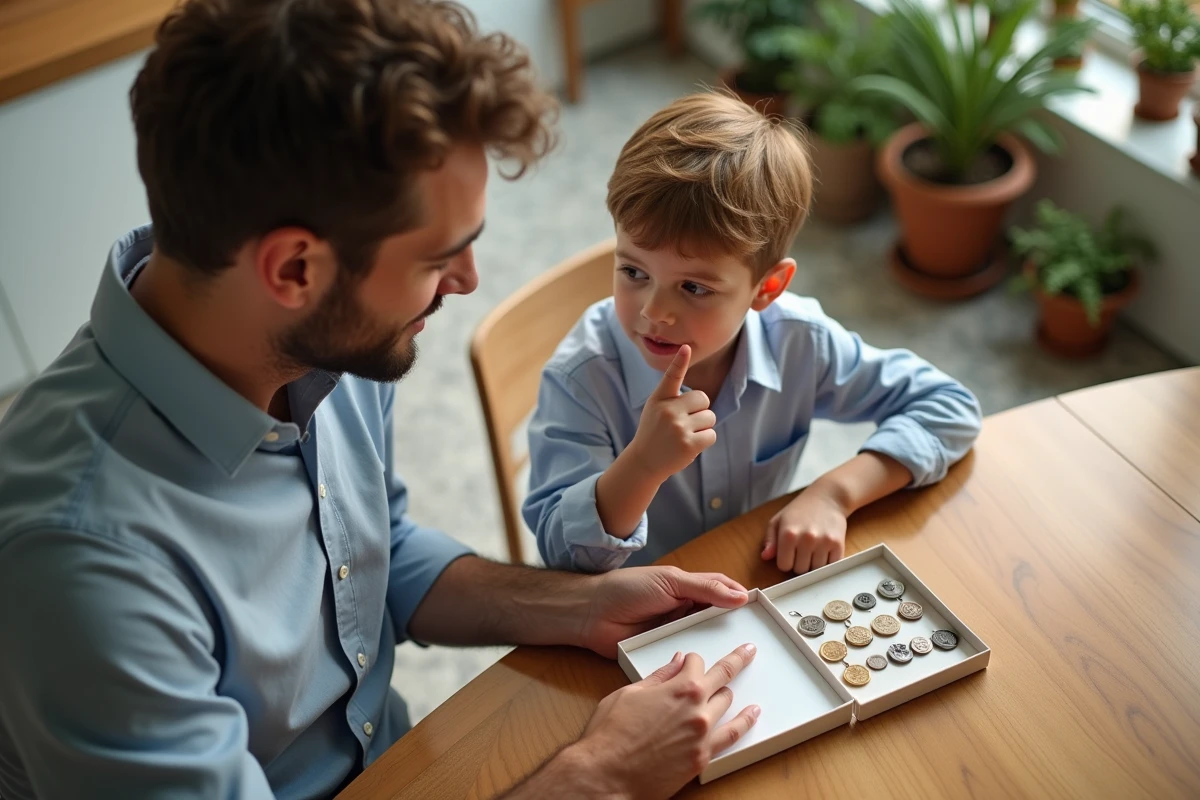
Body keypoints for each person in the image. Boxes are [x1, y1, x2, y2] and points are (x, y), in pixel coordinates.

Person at [0, 3, 762, 798]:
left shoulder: (322, 342)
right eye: (440, 258)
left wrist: (577, 605)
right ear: (295, 270)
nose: (467, 281)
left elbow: (372, 555)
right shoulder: (79, 563)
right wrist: (601, 776)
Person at [524, 92, 983, 575]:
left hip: (754, 579)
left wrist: (834, 494)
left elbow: (948, 405)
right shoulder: (582, 378)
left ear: (767, 288)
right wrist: (642, 466)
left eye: (694, 287)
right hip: (640, 615)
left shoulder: (800, 341)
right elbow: (563, 558)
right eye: (634, 272)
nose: (655, 312)